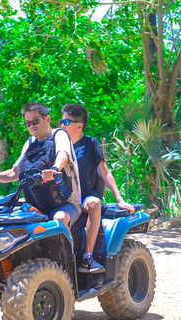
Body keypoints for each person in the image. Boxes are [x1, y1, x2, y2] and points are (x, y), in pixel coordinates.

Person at [0, 102, 82, 233]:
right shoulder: (30, 143)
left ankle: (68, 253)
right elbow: (14, 173)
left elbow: (63, 155)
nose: (32, 126)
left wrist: (54, 169)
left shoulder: (59, 135)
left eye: (35, 121)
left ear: (48, 119)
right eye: (28, 123)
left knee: (59, 219)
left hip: (66, 203)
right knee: (8, 220)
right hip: (37, 205)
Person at [61, 103, 135, 273]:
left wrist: (119, 199)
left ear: (79, 125)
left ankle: (87, 258)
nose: (61, 125)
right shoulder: (59, 146)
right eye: (61, 121)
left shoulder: (90, 143)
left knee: (94, 203)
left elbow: (105, 172)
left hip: (84, 199)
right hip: (64, 198)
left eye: (65, 122)